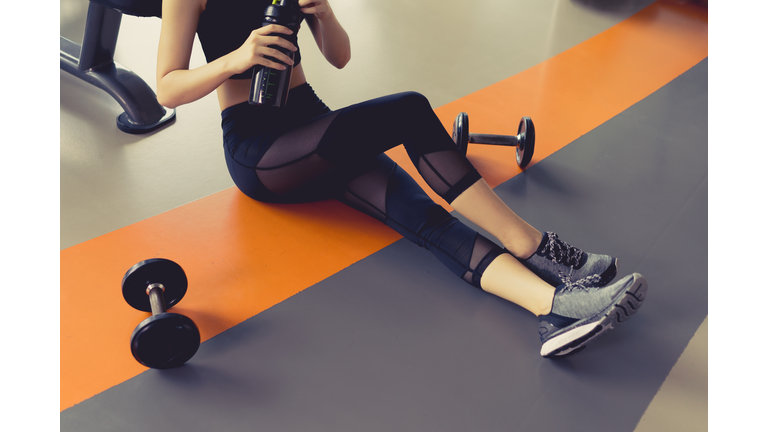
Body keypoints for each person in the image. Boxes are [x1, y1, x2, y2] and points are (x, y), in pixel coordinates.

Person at [156, 0, 647, 358]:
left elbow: (340, 56)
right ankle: (532, 244)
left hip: (314, 127)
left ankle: (553, 309)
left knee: (426, 219)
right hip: (262, 151)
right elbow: (167, 87)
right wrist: (235, 60)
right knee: (408, 109)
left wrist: (323, 13)